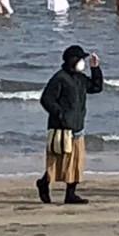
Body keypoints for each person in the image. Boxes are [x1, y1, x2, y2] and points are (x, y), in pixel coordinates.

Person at [36, 45, 104, 205]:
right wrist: (60, 114)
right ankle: (44, 183)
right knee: (56, 161)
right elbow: (46, 100)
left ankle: (70, 194)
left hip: (77, 127)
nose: (83, 63)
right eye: (81, 60)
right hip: (61, 129)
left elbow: (96, 87)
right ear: (73, 61)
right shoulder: (59, 78)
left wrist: (96, 69)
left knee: (76, 163)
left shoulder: (80, 78)